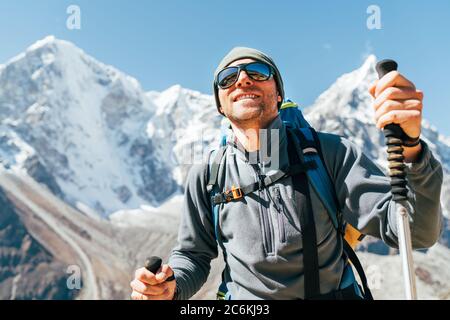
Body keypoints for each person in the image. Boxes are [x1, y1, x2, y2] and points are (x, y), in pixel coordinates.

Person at [130, 47, 443, 300]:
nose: (242, 80)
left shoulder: (329, 153)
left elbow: (415, 231)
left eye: (258, 72)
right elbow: (193, 255)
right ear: (220, 106)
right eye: (228, 78)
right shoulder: (208, 174)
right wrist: (171, 287)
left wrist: (411, 147)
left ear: (278, 94)